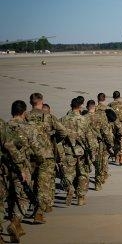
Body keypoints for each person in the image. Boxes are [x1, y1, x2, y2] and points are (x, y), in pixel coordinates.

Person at [26, 93, 74, 223]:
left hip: (28, 155)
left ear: (31, 102)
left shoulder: (25, 116)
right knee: (44, 185)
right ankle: (39, 212)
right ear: (41, 101)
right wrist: (52, 141)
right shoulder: (48, 117)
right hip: (46, 155)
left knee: (29, 183)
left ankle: (22, 212)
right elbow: (63, 132)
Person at [3, 102, 36, 243]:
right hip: (20, 167)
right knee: (23, 196)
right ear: (24, 112)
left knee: (8, 197)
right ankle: (15, 223)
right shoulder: (28, 128)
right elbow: (36, 149)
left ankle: (11, 230)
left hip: (4, 168)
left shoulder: (4, 126)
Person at [59, 97, 92, 206]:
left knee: (69, 173)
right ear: (80, 106)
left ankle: (69, 188)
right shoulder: (84, 119)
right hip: (81, 151)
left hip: (68, 150)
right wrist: (92, 151)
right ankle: (81, 197)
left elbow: (59, 135)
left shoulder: (63, 119)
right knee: (83, 173)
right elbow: (89, 137)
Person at [84, 100, 113, 191]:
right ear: (95, 107)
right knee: (98, 165)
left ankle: (83, 186)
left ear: (87, 107)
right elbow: (106, 132)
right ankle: (97, 184)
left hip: (86, 144)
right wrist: (110, 144)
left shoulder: (83, 118)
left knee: (85, 165)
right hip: (98, 144)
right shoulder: (100, 117)